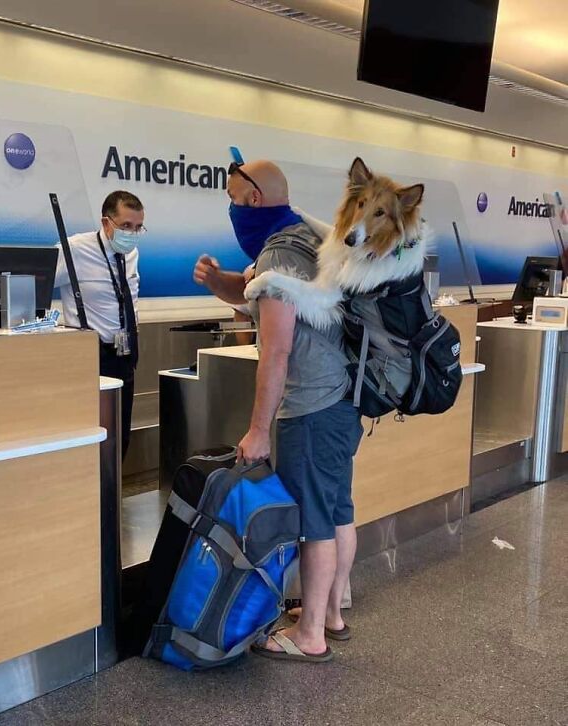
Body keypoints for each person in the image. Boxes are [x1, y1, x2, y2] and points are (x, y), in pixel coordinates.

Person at [193, 160, 362, 663]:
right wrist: (218, 281)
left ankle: (310, 636)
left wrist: (257, 429)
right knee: (336, 511)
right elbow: (254, 298)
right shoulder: (307, 241)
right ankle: (330, 613)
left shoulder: (279, 255)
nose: (229, 209)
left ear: (250, 200)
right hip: (342, 400)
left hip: (309, 407)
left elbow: (277, 350)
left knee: (313, 522)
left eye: (230, 198)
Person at [55, 190, 145, 460]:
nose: (132, 233)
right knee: (93, 434)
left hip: (125, 354)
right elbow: (38, 281)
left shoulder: (131, 253)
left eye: (138, 227)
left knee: (121, 434)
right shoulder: (75, 249)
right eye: (126, 226)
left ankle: (114, 496)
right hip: (92, 355)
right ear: (107, 222)